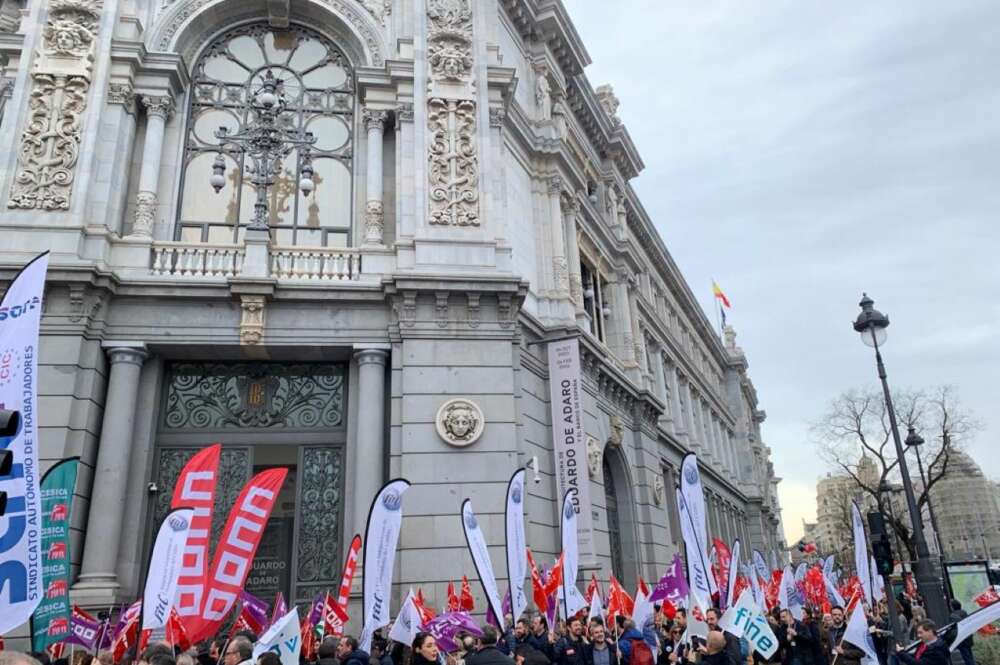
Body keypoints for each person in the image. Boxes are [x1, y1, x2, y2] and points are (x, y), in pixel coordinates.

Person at [949, 599, 976, 665]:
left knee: (966, 658)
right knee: (970, 656)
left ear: (952, 607)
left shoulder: (953, 616)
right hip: (968, 637)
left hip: (962, 639)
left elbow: (955, 629)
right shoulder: (964, 612)